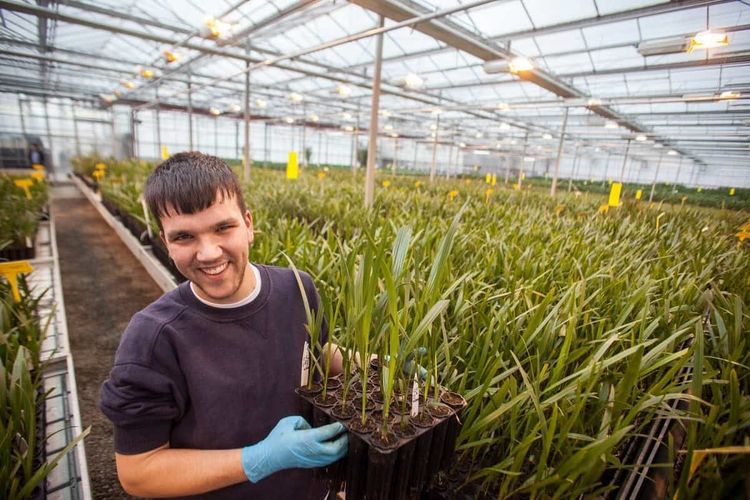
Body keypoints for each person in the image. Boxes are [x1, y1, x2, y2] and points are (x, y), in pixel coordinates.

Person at [99, 152, 348, 499]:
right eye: (184, 236)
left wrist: (378, 366)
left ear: (248, 224)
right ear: (166, 243)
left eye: (223, 227)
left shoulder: (298, 288)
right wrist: (258, 459)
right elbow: (138, 472)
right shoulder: (154, 338)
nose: (209, 253)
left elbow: (315, 350)